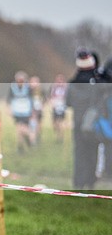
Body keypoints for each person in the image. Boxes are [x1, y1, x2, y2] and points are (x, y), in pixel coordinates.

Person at [66, 49, 103, 190]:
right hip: (93, 123)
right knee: (92, 152)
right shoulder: (97, 83)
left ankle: (78, 181)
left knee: (79, 152)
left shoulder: (73, 83)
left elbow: (68, 102)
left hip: (77, 122)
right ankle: (90, 181)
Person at [7, 70, 33, 153]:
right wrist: (9, 110)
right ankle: (20, 147)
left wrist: (32, 111)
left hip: (26, 112)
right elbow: (9, 99)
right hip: (17, 111)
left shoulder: (28, 88)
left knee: (23, 129)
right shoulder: (12, 87)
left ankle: (29, 138)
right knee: (19, 129)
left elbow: (31, 100)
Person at [49, 73, 68, 143]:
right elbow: (51, 96)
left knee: (61, 122)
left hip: (62, 107)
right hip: (55, 106)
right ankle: (58, 133)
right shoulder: (54, 87)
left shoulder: (65, 88)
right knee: (55, 123)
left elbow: (67, 97)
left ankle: (61, 137)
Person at [29, 75, 45, 145]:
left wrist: (42, 105)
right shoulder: (28, 90)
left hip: (39, 110)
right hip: (31, 111)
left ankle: (37, 137)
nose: (34, 83)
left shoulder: (41, 90)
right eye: (33, 82)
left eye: (36, 82)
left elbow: (45, 99)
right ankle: (32, 140)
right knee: (32, 125)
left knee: (38, 125)